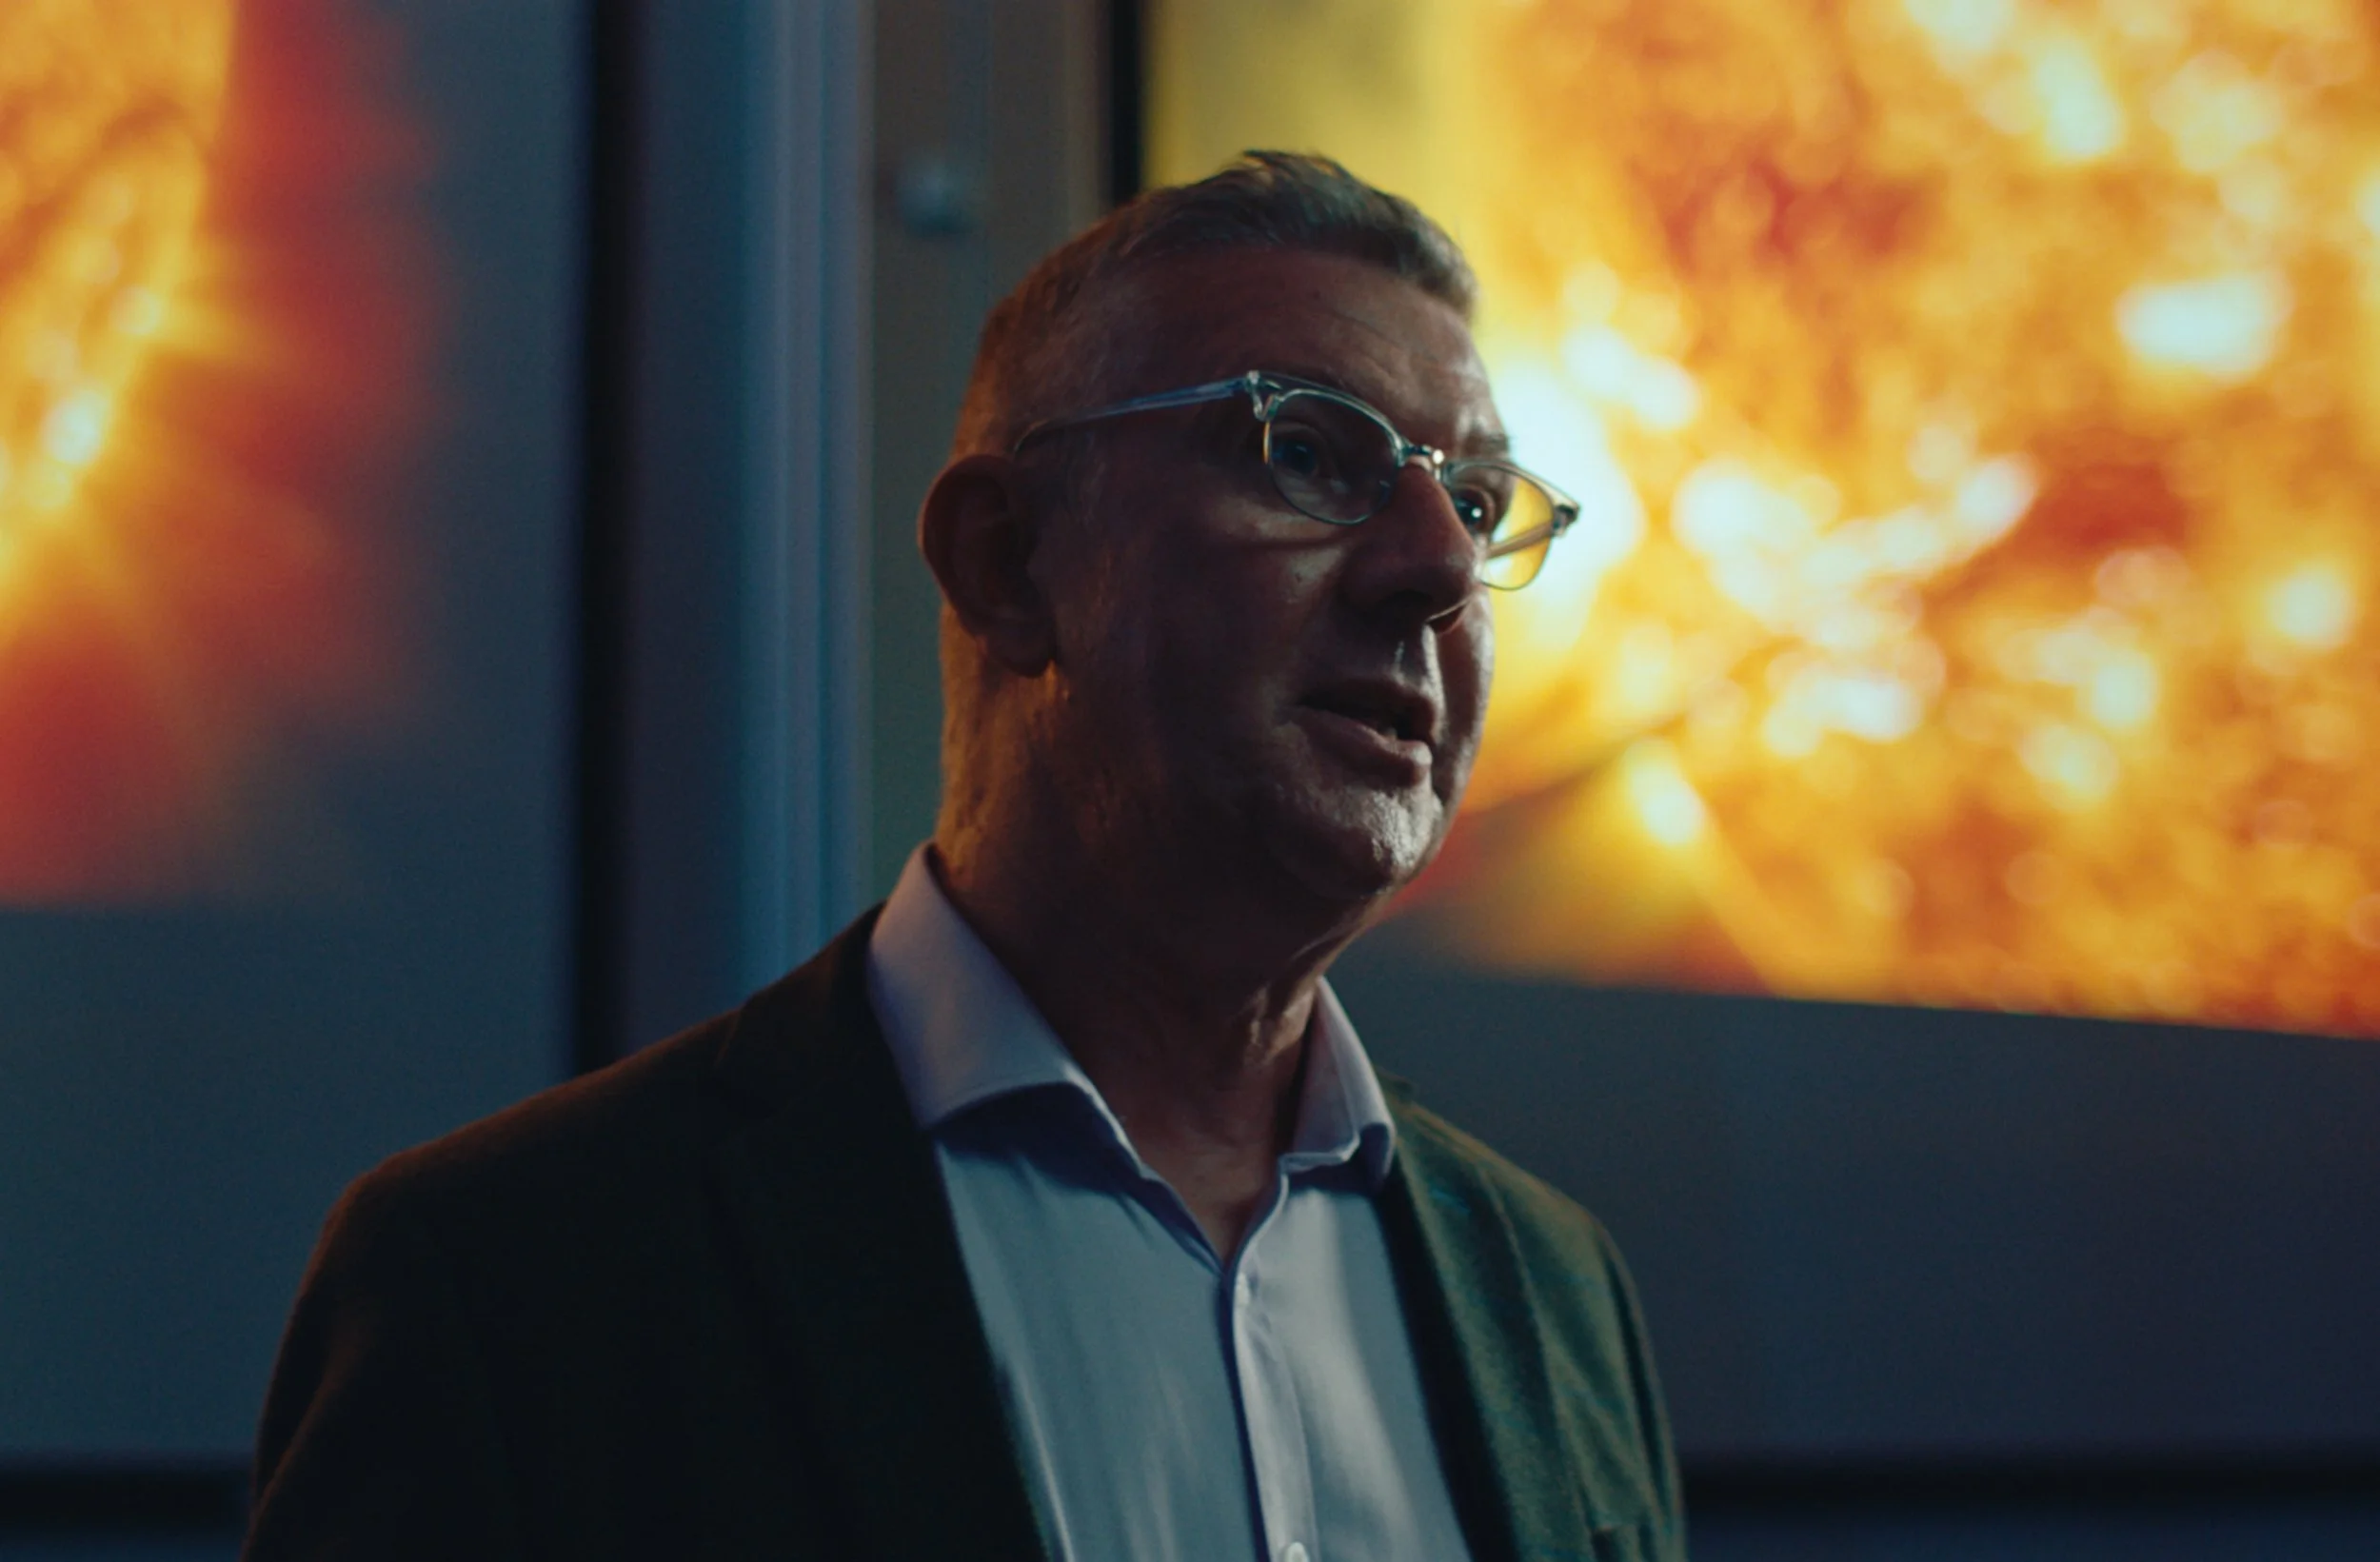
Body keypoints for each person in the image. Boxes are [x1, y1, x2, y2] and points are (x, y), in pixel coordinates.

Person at [243, 151, 1684, 1562]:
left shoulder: (1556, 1291)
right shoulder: (508, 1284)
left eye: (1476, 503)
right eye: (1304, 453)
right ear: (1006, 562)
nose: (1438, 567)